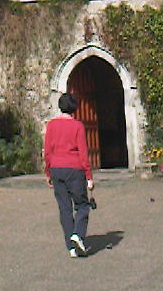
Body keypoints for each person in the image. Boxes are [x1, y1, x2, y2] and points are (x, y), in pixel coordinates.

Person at [44, 91, 93, 258]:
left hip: (57, 168)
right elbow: (83, 152)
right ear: (74, 108)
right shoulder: (77, 126)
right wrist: (89, 176)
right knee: (82, 205)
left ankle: (71, 246)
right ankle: (78, 235)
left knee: (64, 208)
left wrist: (48, 171)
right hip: (74, 169)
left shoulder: (51, 125)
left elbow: (47, 151)